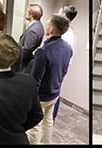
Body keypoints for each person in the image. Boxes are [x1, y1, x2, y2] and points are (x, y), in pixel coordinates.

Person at [27, 14, 74, 144]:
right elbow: (64, 71)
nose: (45, 26)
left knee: (34, 127)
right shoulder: (68, 48)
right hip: (55, 93)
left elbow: (35, 80)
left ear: (52, 30)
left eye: (48, 24)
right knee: (48, 121)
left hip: (41, 97)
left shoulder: (43, 51)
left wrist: (31, 99)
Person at [15, 3, 45, 73]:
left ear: (31, 15)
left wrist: (14, 60)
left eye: (27, 11)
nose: (25, 13)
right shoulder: (39, 25)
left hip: (24, 65)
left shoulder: (33, 30)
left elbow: (26, 50)